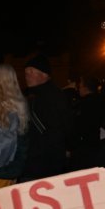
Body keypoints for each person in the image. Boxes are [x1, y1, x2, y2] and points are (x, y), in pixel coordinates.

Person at [19, 54, 72, 182]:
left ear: (44, 74)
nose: (27, 76)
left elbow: (66, 126)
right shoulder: (25, 95)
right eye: (26, 72)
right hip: (29, 161)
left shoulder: (56, 96)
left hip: (48, 161)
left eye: (31, 72)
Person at [68, 76, 104, 171]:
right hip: (94, 144)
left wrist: (70, 147)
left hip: (82, 147)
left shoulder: (84, 104)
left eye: (80, 86)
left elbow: (78, 127)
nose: (78, 88)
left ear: (85, 87)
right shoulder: (100, 101)